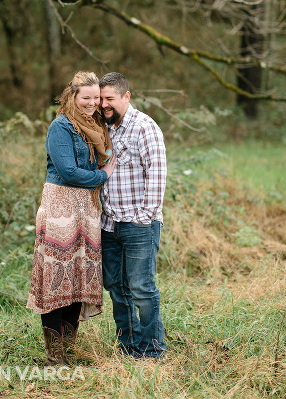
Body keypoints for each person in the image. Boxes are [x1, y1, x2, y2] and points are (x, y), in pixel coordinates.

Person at [27, 71, 117, 366]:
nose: (91, 103)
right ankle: (54, 355)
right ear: (73, 96)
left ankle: (68, 348)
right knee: (57, 278)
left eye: (95, 98)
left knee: (79, 275)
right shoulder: (61, 126)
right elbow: (68, 172)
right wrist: (102, 175)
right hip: (60, 206)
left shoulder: (95, 126)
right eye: (85, 98)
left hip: (86, 207)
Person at [99, 72, 168, 358]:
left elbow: (157, 173)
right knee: (117, 287)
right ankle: (129, 347)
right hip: (109, 223)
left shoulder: (144, 127)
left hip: (138, 223)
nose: (104, 105)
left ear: (127, 97)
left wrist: (144, 216)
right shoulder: (104, 128)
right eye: (101, 99)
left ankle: (152, 350)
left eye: (110, 99)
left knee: (141, 287)